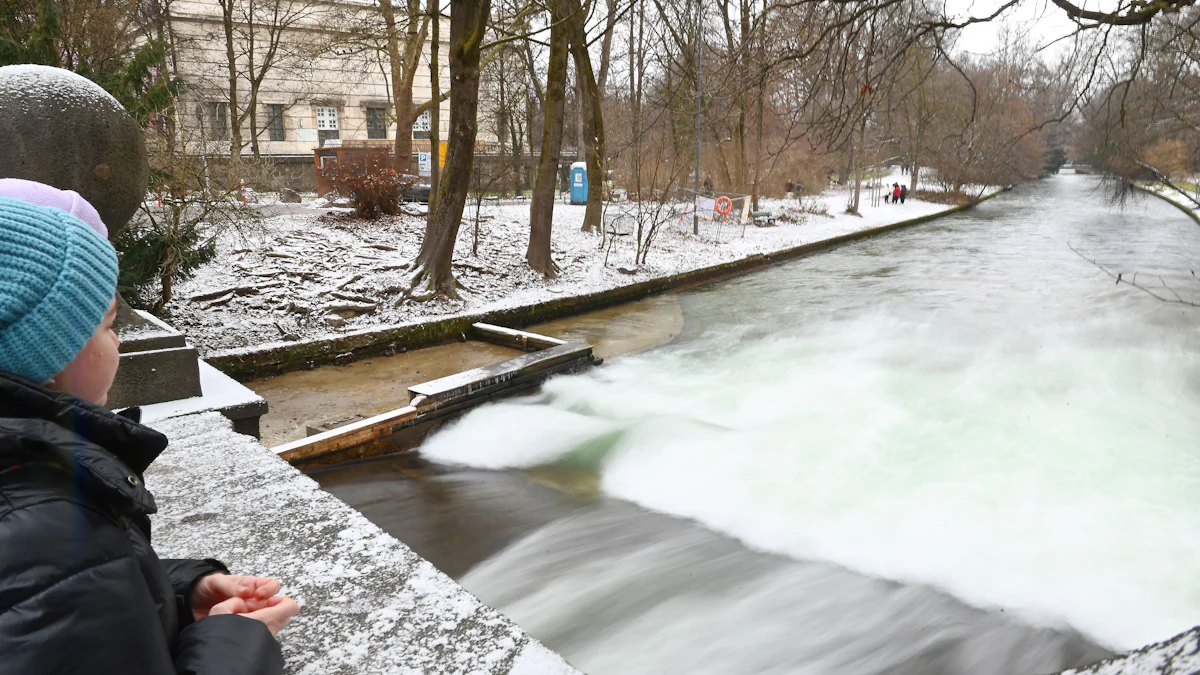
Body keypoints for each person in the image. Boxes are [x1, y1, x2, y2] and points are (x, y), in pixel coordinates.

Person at [0, 179, 298, 674]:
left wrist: (179, 593)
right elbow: (58, 585)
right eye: (109, 325)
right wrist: (236, 642)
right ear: (47, 352)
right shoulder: (46, 529)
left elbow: (63, 603)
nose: (119, 342)